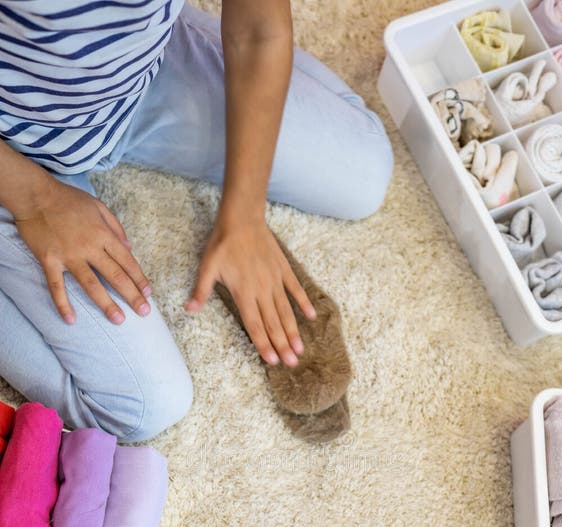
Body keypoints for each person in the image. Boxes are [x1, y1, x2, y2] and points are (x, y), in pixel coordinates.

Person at [0, 1, 393, 441]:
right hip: (13, 149)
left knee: (366, 173)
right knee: (146, 407)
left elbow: (259, 28)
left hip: (134, 80)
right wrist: (36, 198)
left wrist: (244, 214)